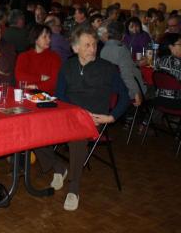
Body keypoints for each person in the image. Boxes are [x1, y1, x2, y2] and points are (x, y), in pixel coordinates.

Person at [37, 26, 129, 211]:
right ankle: (58, 167)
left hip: (93, 120)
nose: (92, 49)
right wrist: (69, 113)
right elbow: (60, 96)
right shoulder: (68, 66)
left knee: (77, 136)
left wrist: (111, 118)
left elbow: (125, 96)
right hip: (68, 115)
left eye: (94, 44)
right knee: (34, 129)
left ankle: (74, 188)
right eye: (87, 45)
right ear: (75, 48)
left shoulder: (107, 68)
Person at [101, 21, 145, 107]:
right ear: (123, 35)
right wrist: (136, 92)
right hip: (125, 90)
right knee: (153, 89)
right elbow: (127, 75)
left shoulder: (103, 49)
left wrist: (135, 63)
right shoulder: (122, 50)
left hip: (110, 88)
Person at [15, 25, 61, 93]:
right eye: (45, 37)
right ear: (35, 39)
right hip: (24, 95)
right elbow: (20, 76)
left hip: (45, 96)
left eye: (49, 37)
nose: (49, 40)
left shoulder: (54, 57)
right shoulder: (24, 56)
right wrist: (41, 78)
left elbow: (54, 81)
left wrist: (35, 87)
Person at [154, 33, 181, 109]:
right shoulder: (177, 63)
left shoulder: (158, 60)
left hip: (160, 100)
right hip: (176, 101)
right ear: (171, 47)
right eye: (180, 44)